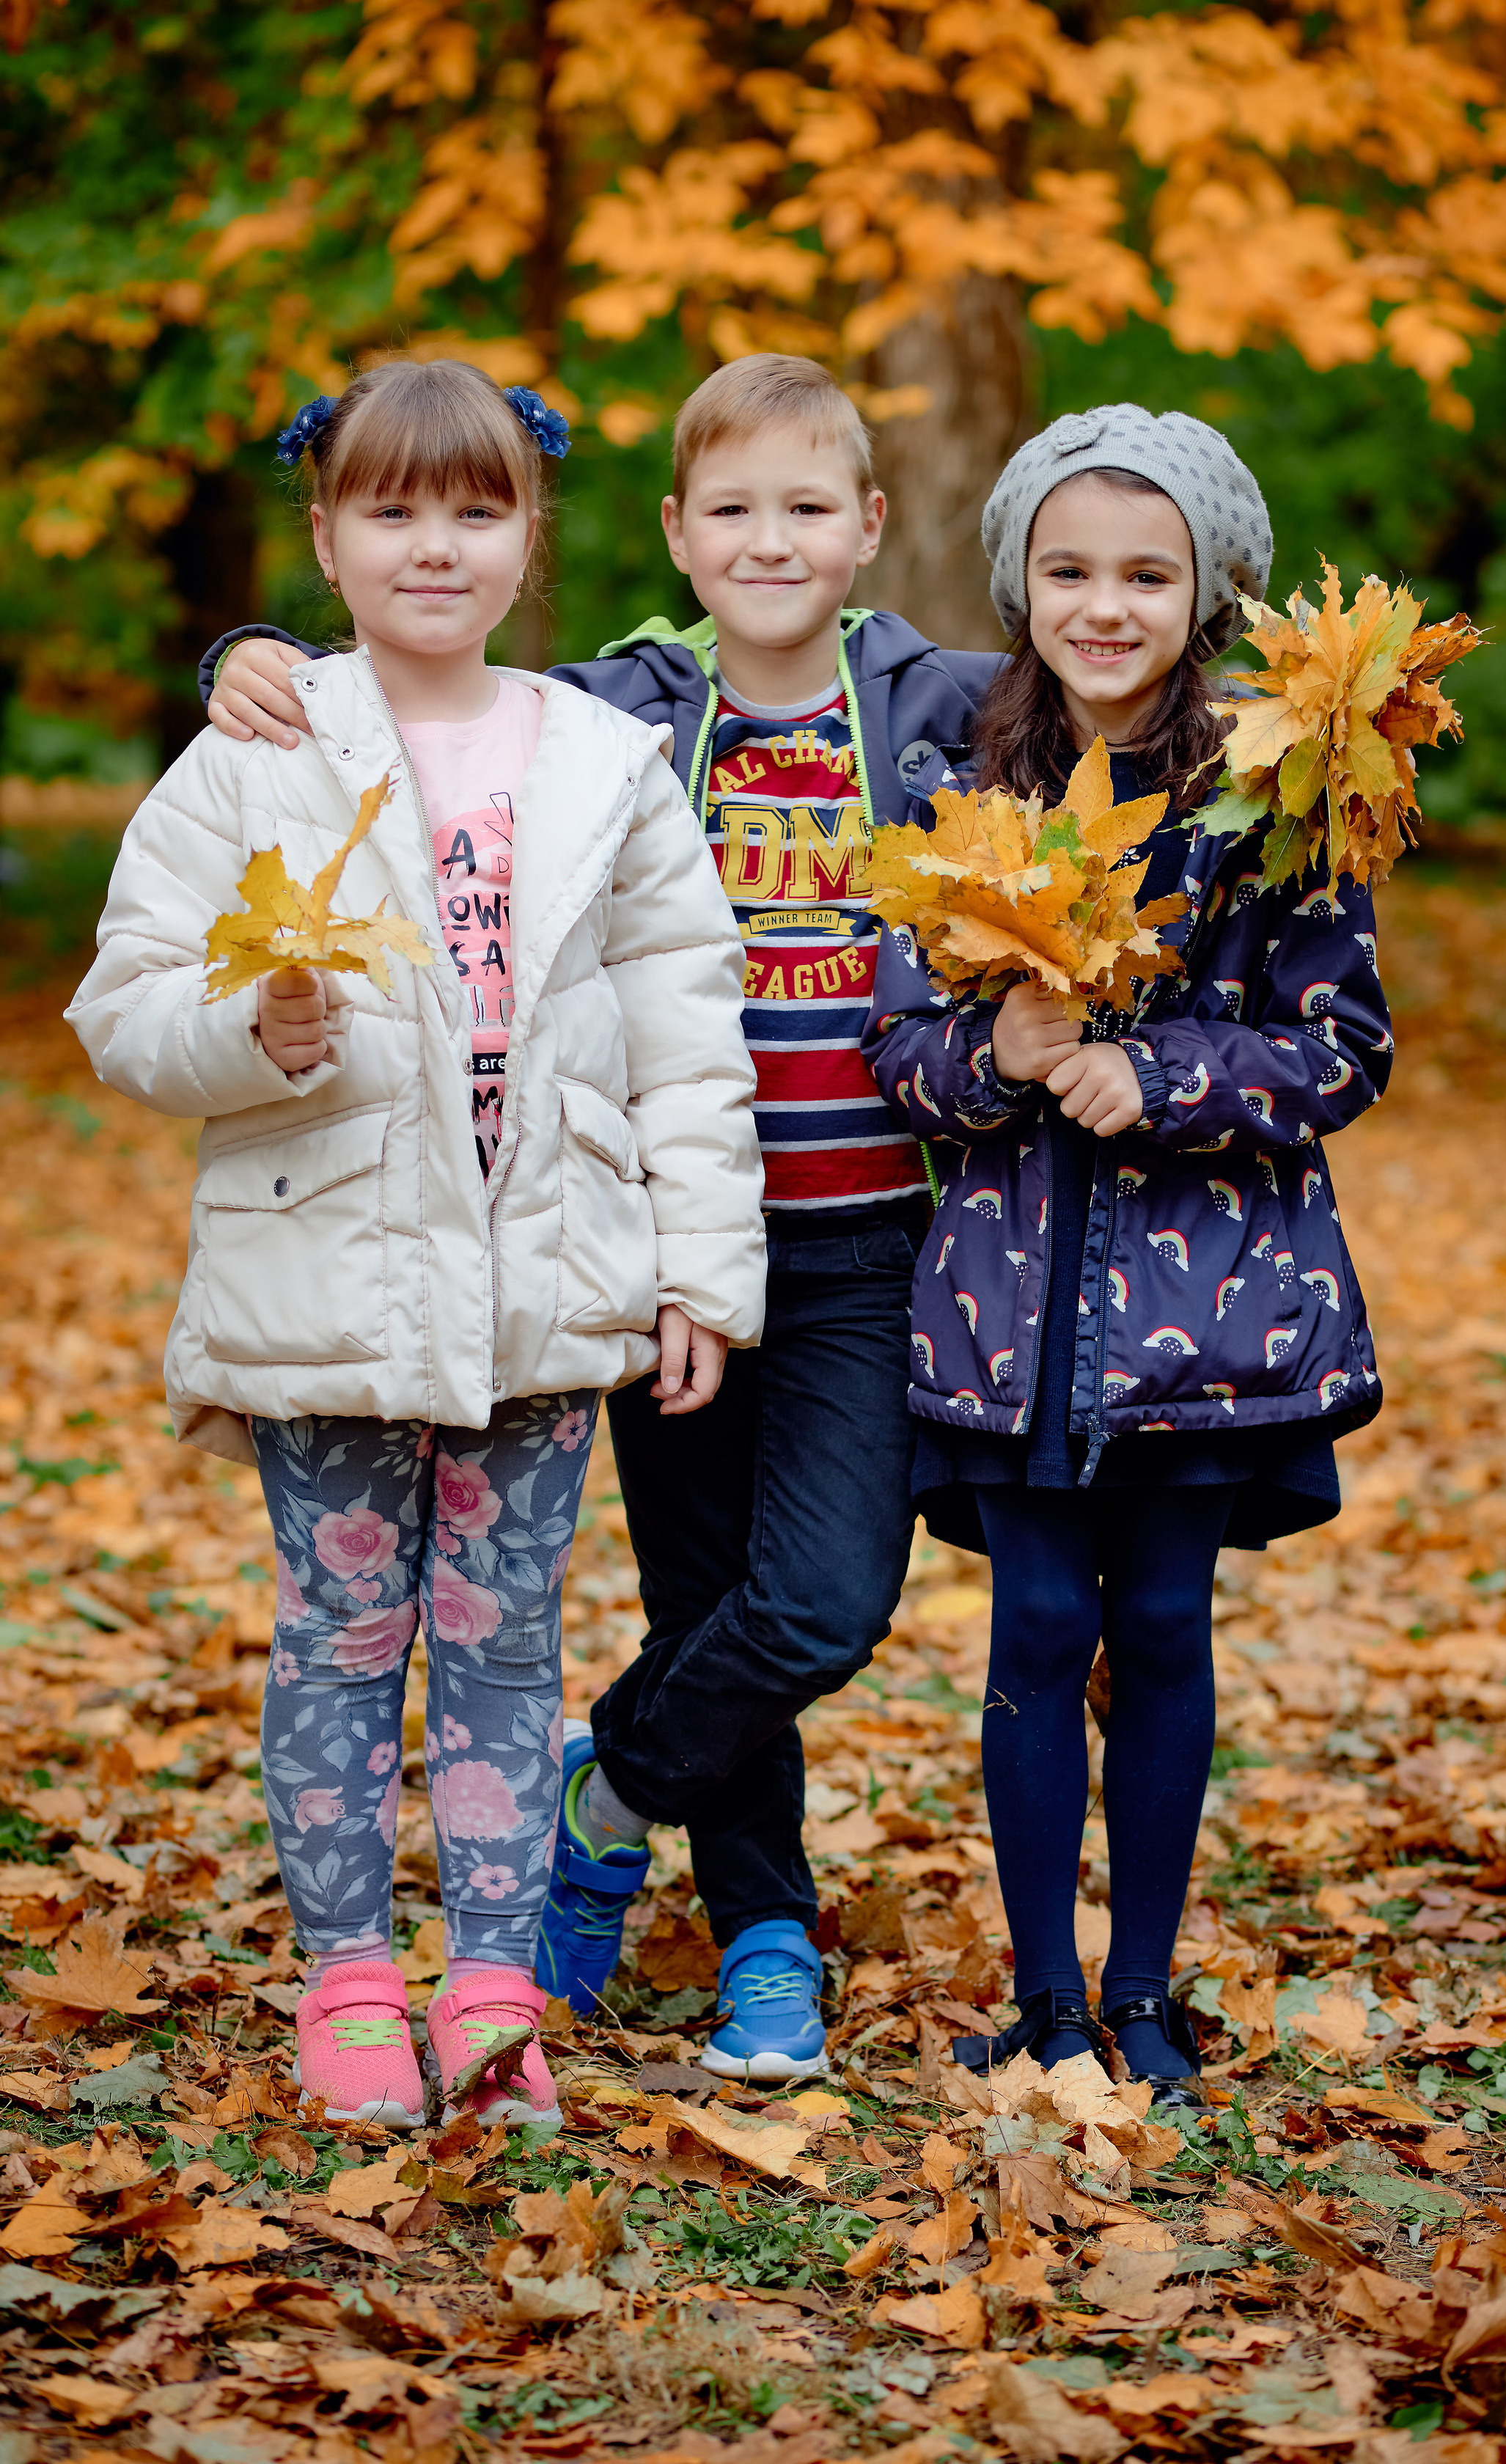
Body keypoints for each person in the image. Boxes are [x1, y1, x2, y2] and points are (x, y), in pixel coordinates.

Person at [195, 356, 1002, 2081]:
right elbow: (427, 689)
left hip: (863, 1234)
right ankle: (764, 1936)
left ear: (869, 526)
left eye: (808, 508)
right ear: (671, 532)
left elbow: (1118, 685)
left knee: (819, 1600)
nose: (769, 542)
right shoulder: (617, 709)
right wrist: (239, 661)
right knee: (709, 1588)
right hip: (628, 1241)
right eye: (732, 510)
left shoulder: (942, 706)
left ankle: (607, 1785)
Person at [67, 359, 764, 2131]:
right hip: (333, 1272)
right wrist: (251, 1039)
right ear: (326, 536)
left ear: (530, 540)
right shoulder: (259, 749)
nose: (432, 547)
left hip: (540, 1280)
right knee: (342, 1629)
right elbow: (131, 999)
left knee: (509, 1637)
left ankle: (492, 1987)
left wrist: (701, 1269)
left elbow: (690, 1036)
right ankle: (349, 1980)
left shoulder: (608, 764)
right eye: (390, 511)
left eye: (475, 510)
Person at [864, 406, 1392, 2103]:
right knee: (1032, 1621)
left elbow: (1341, 1048)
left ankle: (1145, 1986)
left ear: (1207, 590)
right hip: (1007, 1304)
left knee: (1161, 1619)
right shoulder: (961, 779)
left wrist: (1160, 1073)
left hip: (1209, 1307)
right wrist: (994, 1059)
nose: (1105, 603)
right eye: (1070, 567)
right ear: (1018, 577)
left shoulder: (1274, 799)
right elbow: (899, 1049)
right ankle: (1040, 1990)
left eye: (1146, 573)